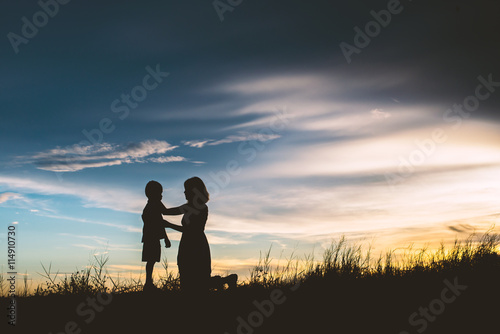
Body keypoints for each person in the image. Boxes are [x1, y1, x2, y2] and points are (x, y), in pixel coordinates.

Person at [162, 177, 211, 295]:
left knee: (197, 278)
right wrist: (157, 202)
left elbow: (190, 230)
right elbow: (168, 211)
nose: (184, 192)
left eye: (186, 189)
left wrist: (168, 225)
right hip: (187, 243)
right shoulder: (189, 206)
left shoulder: (201, 208)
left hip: (196, 245)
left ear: (194, 191)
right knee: (187, 276)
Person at [141, 180, 171, 291]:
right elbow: (164, 214)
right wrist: (186, 208)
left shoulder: (152, 204)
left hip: (151, 237)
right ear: (153, 194)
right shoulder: (154, 204)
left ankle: (148, 283)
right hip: (151, 237)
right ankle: (148, 284)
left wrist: (165, 238)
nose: (161, 196)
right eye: (160, 193)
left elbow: (160, 222)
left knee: (151, 260)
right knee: (151, 260)